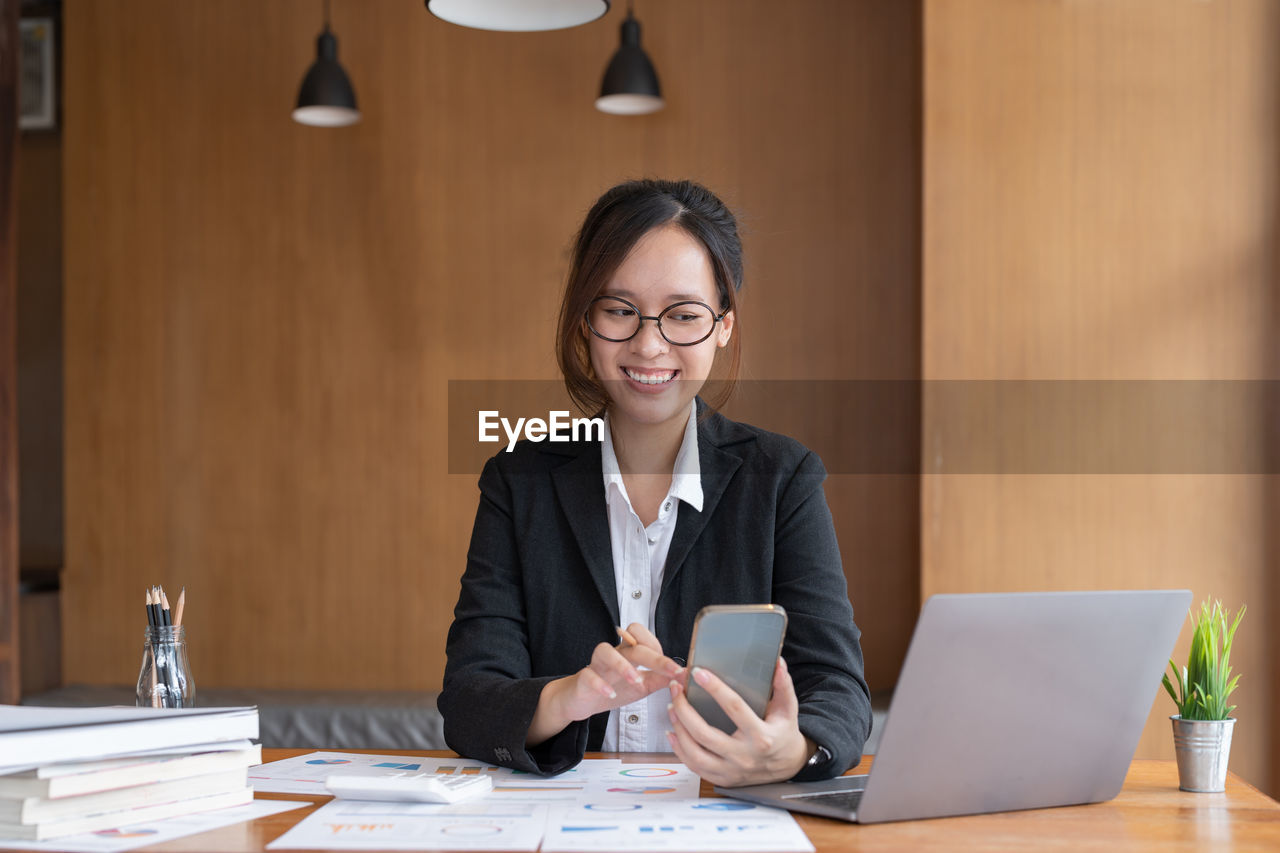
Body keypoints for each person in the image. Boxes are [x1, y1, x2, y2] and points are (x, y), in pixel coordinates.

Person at [439, 178, 871, 786]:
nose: (648, 345)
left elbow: (838, 688)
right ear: (583, 323)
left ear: (723, 326)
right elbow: (467, 701)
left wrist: (791, 752)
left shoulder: (782, 479)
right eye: (619, 310)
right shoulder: (519, 482)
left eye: (683, 315)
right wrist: (571, 696)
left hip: (725, 823)